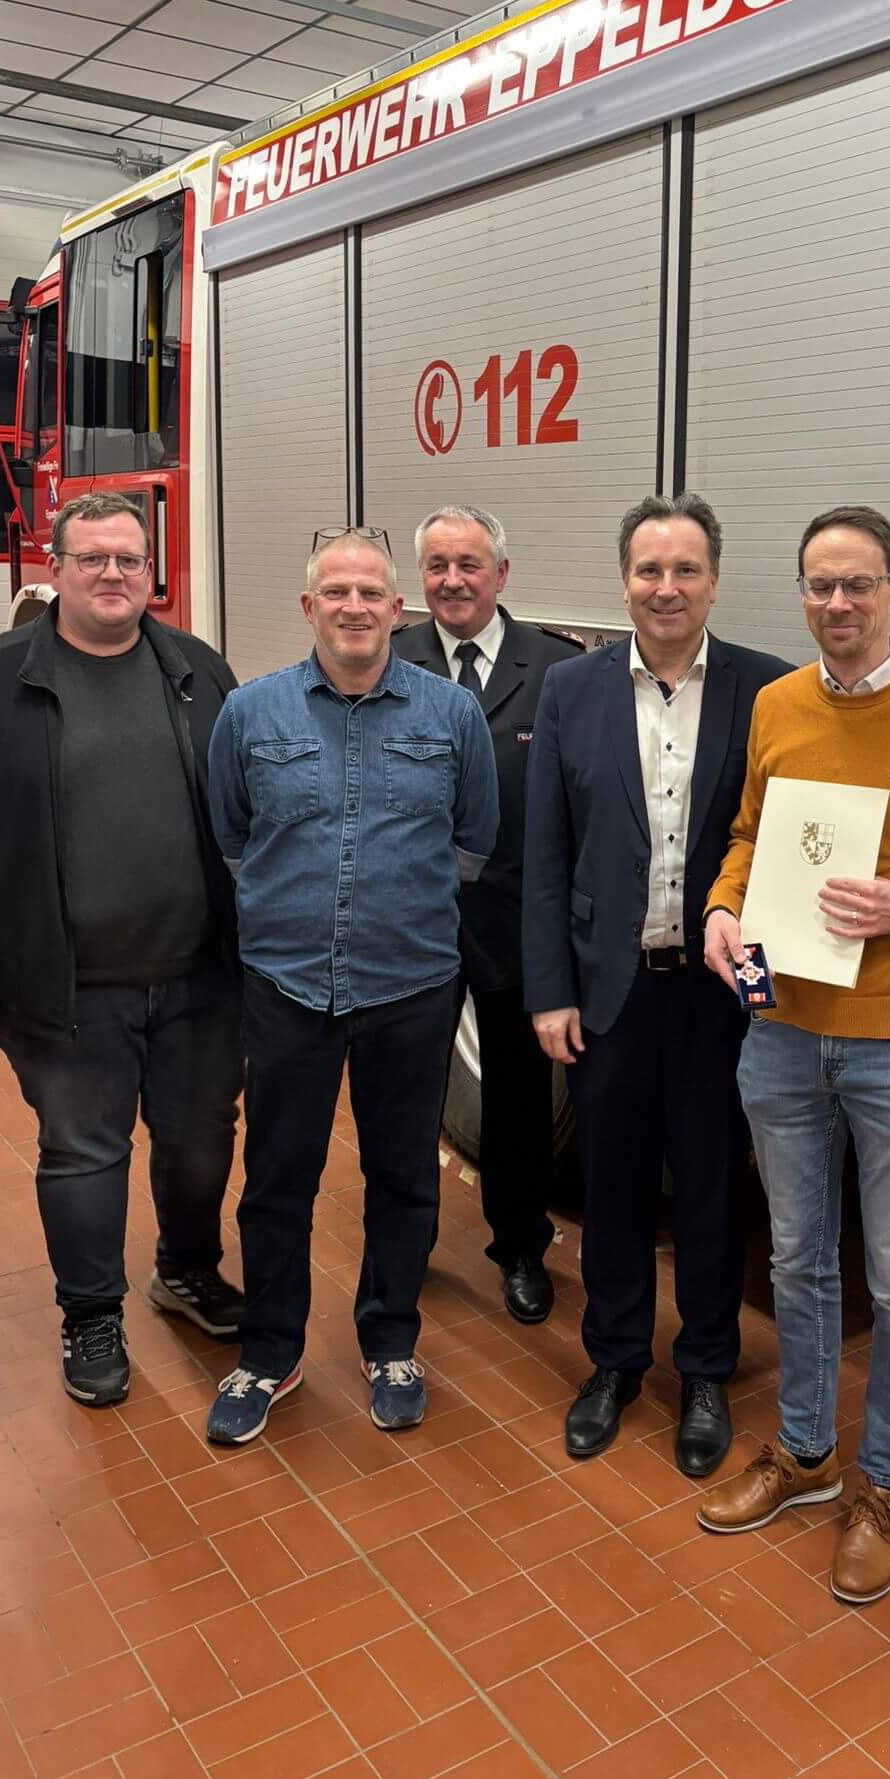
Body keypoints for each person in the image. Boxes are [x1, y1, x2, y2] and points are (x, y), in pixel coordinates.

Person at [698, 505, 890, 1605]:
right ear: (802, 594)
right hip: (782, 1028)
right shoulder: (778, 704)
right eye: (820, 585)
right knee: (795, 1258)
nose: (838, 603)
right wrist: (723, 906)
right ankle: (804, 1453)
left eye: (859, 583)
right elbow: (750, 831)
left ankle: (883, 1483)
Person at [0, 492, 244, 1409]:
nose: (111, 575)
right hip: (61, 986)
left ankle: (186, 1270)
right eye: (91, 558)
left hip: (200, 977)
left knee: (201, 1143)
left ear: (151, 574)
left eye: (129, 559)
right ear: (54, 569)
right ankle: (91, 1313)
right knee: (84, 1156)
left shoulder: (198, 672)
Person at [203, 527, 497, 1446]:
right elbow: (232, 838)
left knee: (402, 1176)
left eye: (371, 592)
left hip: (412, 986)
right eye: (336, 591)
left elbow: (475, 841)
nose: (355, 607)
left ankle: (390, 1340)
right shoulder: (249, 713)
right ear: (309, 607)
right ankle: (270, 1351)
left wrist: (392, 906)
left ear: (396, 609)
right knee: (276, 1178)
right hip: (287, 986)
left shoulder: (452, 715)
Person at [522, 495, 790, 1477]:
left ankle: (707, 1369)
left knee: (715, 1190)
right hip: (611, 990)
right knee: (614, 1187)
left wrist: (769, 999)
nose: (666, 587)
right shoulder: (570, 689)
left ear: (714, 579)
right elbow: (546, 853)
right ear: (624, 579)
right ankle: (615, 1360)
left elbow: (780, 845)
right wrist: (550, 990)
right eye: (649, 569)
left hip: (720, 994)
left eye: (685, 569)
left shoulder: (772, 689)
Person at [392, 505, 583, 1324]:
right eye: (437, 566)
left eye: (468, 564)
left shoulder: (561, 670)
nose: (452, 580)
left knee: (518, 1098)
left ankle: (519, 1246)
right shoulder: (386, 660)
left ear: (501, 574)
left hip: (516, 921)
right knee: (405, 1094)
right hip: (411, 926)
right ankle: (402, 1246)